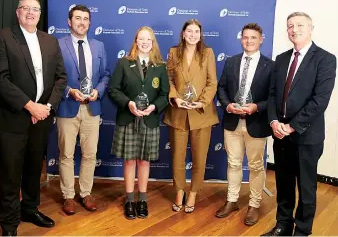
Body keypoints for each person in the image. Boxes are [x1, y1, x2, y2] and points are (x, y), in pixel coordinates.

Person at [0, 0, 67, 236]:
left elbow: (61, 78)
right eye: (26, 8)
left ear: (40, 14)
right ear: (17, 12)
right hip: (13, 118)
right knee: (11, 174)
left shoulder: (50, 41)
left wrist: (46, 107)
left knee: (34, 169)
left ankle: (30, 209)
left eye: (35, 9)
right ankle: (9, 224)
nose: (31, 13)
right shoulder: (2, 38)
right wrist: (30, 106)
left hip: (42, 118)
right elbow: (0, 79)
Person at [262, 12, 336, 236]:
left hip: (307, 136)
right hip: (280, 134)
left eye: (299, 25)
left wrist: (292, 126)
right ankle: (283, 226)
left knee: (306, 187)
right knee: (283, 184)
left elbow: (319, 101)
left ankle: (302, 231)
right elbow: (273, 94)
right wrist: (274, 122)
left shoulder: (325, 59)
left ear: (311, 27)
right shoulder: (282, 59)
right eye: (290, 26)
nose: (294, 29)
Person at [108, 26, 169, 220]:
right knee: (130, 160)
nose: (144, 42)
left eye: (148, 39)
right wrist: (129, 103)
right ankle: (129, 199)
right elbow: (113, 89)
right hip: (128, 118)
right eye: (141, 39)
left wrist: (154, 107)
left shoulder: (160, 66)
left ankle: (142, 199)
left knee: (144, 160)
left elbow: (165, 94)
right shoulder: (124, 63)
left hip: (149, 120)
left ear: (153, 43)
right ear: (136, 42)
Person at [216, 23, 274, 225]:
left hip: (256, 123)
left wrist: (256, 107)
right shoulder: (231, 62)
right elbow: (221, 88)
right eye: (245, 37)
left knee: (256, 166)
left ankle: (254, 204)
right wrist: (228, 105)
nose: (249, 41)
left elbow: (272, 97)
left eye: (253, 38)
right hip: (232, 121)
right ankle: (232, 200)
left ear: (261, 40)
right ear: (241, 39)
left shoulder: (271, 65)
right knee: (233, 163)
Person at [56, 5, 110, 215]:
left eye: (85, 19)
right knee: (66, 154)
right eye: (77, 18)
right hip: (67, 106)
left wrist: (98, 91)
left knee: (90, 154)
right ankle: (68, 196)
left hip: (91, 108)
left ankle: (86, 193)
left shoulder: (99, 46)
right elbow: (54, 76)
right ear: (69, 22)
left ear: (89, 22)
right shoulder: (58, 45)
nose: (81, 22)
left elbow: (105, 74)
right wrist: (69, 91)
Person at [163, 19, 219, 213]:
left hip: (201, 113)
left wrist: (202, 101)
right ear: (184, 34)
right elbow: (168, 79)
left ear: (200, 34)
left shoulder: (208, 53)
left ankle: (193, 193)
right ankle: (179, 191)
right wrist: (175, 98)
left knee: (199, 158)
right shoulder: (173, 52)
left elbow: (212, 82)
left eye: (196, 31)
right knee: (177, 157)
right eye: (189, 31)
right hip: (178, 112)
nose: (193, 34)